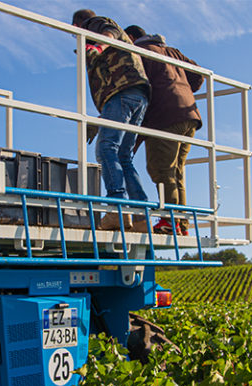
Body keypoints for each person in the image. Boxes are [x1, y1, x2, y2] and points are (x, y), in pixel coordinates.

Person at [72, 10, 151, 232]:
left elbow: (110, 33)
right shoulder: (102, 32)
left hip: (121, 92)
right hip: (137, 94)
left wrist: (96, 46)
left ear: (78, 24)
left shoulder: (93, 24)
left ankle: (118, 208)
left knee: (106, 149)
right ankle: (142, 217)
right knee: (124, 156)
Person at [124, 25, 204, 236]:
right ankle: (181, 224)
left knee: (162, 170)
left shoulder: (140, 54)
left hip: (165, 118)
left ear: (131, 37)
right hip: (189, 115)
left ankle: (170, 221)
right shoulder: (170, 51)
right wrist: (181, 89)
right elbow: (199, 76)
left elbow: (137, 92)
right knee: (177, 172)